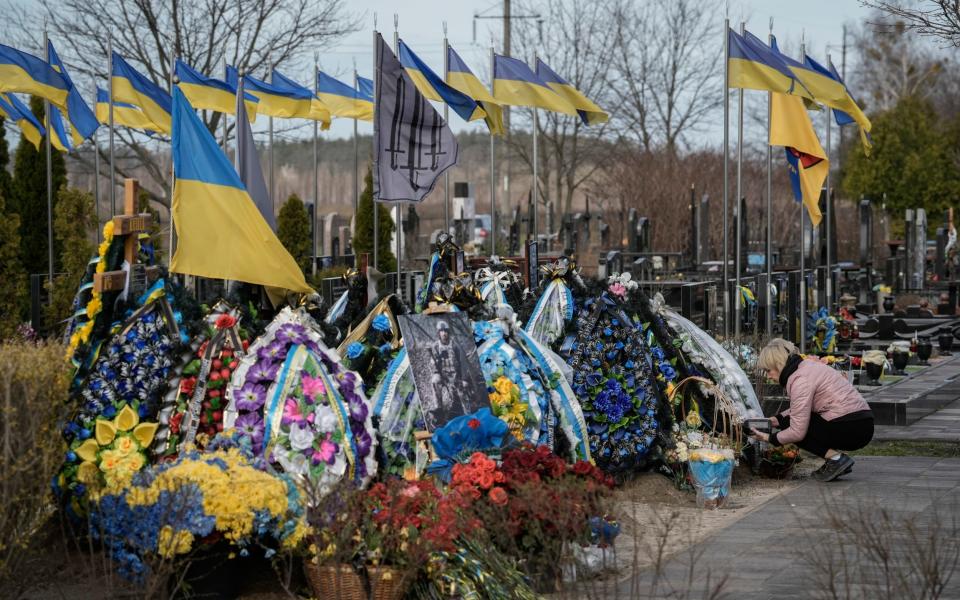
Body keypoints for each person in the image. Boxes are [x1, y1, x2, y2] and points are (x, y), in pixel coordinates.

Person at [750, 338, 874, 481]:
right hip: (860, 422)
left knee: (793, 427)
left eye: (768, 370)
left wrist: (769, 438)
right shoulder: (805, 368)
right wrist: (775, 420)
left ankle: (837, 459)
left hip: (852, 427)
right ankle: (835, 460)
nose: (768, 376)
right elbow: (800, 408)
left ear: (778, 364)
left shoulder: (799, 380)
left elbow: (797, 431)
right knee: (789, 422)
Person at [428, 320, 470, 421]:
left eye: (446, 331)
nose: (444, 333)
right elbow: (432, 364)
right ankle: (439, 409)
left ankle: (468, 415)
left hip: (456, 376)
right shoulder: (435, 347)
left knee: (462, 393)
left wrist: (464, 378)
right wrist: (437, 372)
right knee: (435, 380)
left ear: (448, 332)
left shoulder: (455, 345)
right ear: (438, 333)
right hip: (443, 376)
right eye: (441, 331)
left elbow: (463, 362)